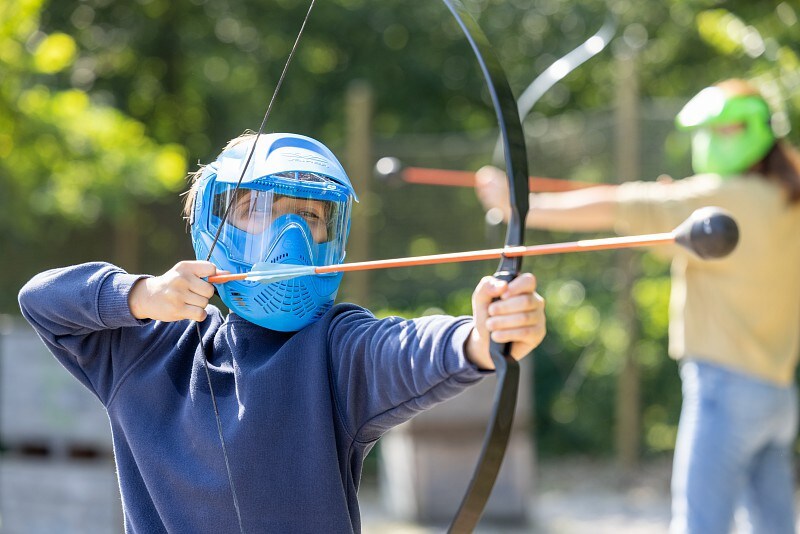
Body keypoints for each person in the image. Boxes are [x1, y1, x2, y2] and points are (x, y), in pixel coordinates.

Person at [18, 132, 545, 533]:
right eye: (259, 211)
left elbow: (406, 350)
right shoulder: (147, 350)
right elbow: (42, 299)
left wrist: (482, 337)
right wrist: (139, 296)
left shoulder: (334, 350)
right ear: (210, 227)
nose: (289, 237)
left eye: (311, 218)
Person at [475, 79, 800, 534]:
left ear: (748, 132)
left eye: (720, 131)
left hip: (724, 391)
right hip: (778, 395)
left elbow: (617, 205)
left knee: (700, 525)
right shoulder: (789, 192)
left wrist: (520, 206)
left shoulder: (718, 196)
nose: (707, 143)